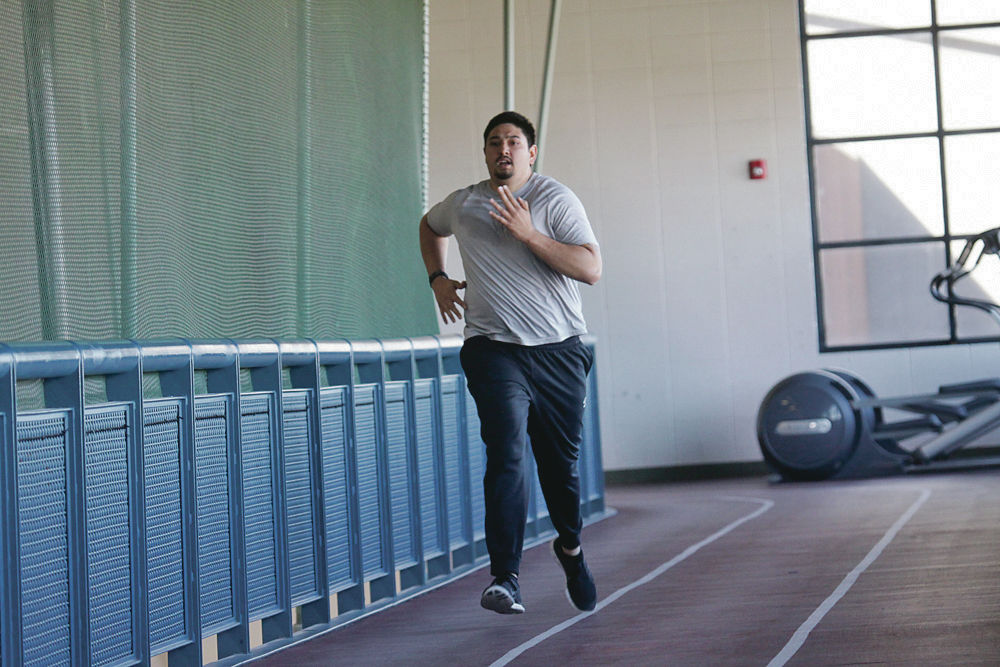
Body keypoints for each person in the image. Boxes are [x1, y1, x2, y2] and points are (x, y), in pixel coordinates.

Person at [418, 111, 602, 614]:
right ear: (485, 152)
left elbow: (591, 268)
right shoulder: (464, 204)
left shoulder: (554, 200)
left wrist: (529, 234)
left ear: (531, 153)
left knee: (560, 470)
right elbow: (428, 226)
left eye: (514, 142)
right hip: (493, 349)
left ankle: (570, 548)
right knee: (506, 452)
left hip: (558, 351)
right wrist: (438, 278)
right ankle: (506, 577)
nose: (504, 149)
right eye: (495, 142)